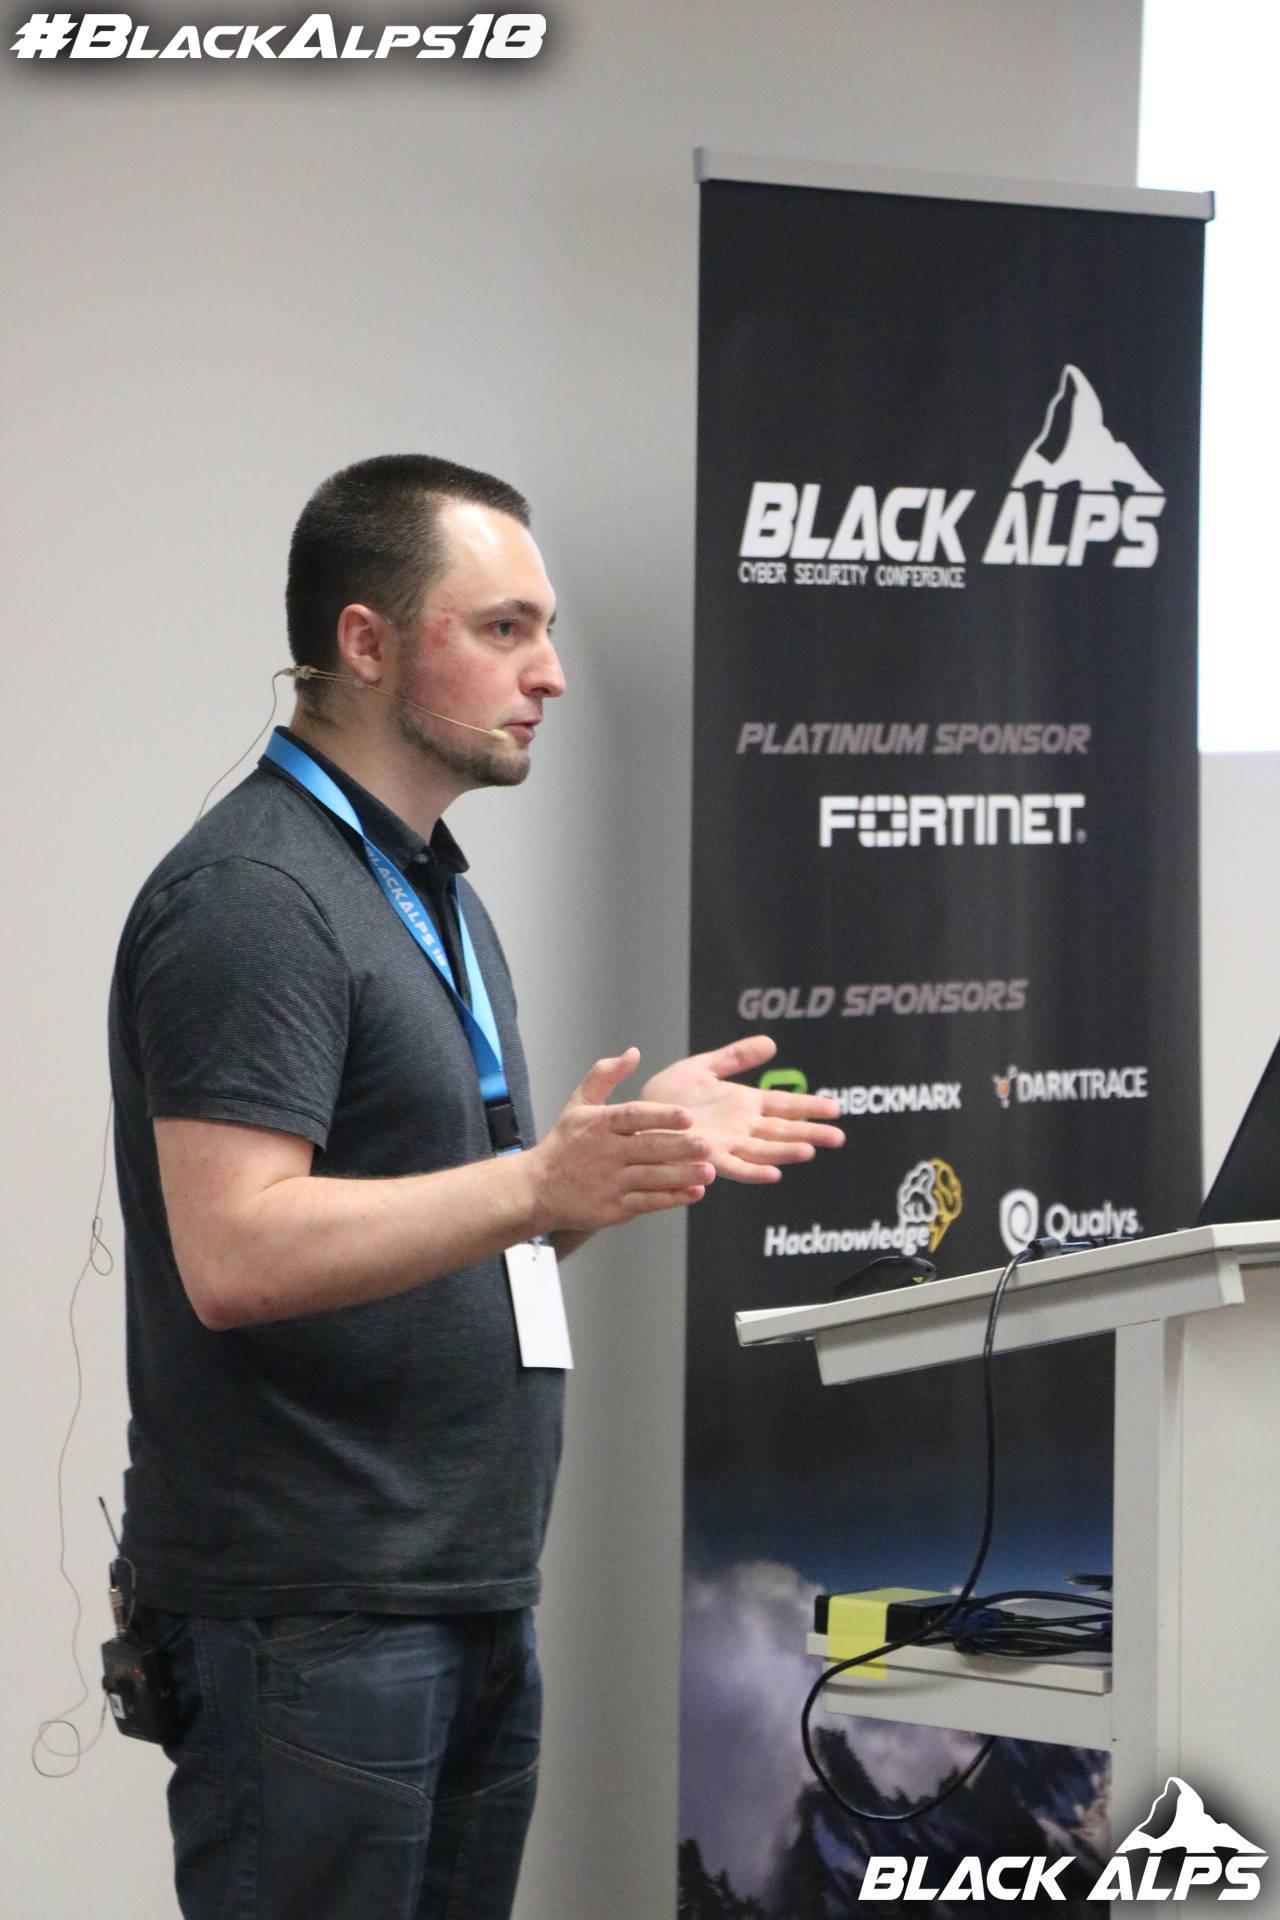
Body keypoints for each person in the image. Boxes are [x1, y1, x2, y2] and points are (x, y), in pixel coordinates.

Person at [108, 453, 844, 1920]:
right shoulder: (256, 899)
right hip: (314, 1618)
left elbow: (430, 1232)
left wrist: (595, 1176)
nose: (550, 673)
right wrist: (531, 1184)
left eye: (544, 629)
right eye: (503, 628)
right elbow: (236, 1251)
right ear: (366, 643)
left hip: (461, 1593)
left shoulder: (431, 887)